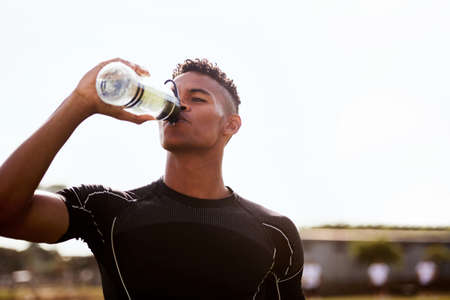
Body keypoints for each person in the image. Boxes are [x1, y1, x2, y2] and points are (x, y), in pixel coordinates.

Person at [0, 58, 306, 299]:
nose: (178, 105)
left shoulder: (274, 231)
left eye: (197, 99)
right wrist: (80, 102)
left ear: (231, 125)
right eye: (172, 96)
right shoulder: (107, 210)